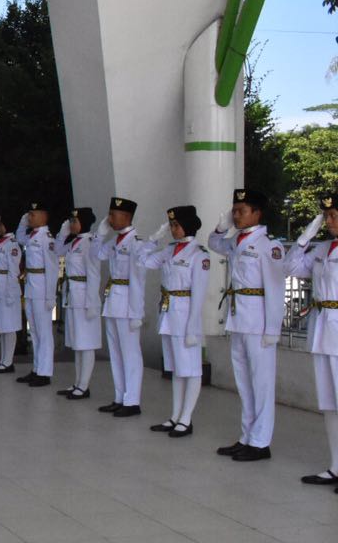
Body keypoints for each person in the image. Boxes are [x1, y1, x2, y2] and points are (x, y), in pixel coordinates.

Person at [209, 188, 287, 462]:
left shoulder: (269, 246)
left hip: (259, 322)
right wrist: (221, 227)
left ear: (257, 213)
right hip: (239, 318)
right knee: (244, 382)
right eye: (235, 210)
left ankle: (261, 442)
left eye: (242, 211)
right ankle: (247, 436)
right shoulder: (235, 241)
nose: (237, 215)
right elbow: (214, 244)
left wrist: (272, 329)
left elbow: (276, 291)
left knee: (262, 383)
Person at [140, 206, 210, 437]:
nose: (172, 229)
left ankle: (187, 418)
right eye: (170, 225)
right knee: (176, 369)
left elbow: (199, 294)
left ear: (187, 225)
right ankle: (175, 415)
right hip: (168, 314)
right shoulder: (169, 250)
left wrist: (193, 327)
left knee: (191, 369)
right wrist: (153, 239)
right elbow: (144, 261)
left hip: (186, 316)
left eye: (176, 225)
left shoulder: (198, 254)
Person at [287, 195, 338, 487]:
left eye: (333, 215)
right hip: (322, 329)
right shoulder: (322, 248)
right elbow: (292, 267)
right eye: (326, 216)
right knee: (330, 403)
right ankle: (335, 465)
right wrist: (307, 234)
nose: (329, 221)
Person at [94, 196, 149, 417]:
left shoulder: (137, 244)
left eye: (113, 215)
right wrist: (101, 232)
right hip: (113, 302)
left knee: (130, 353)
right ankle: (120, 396)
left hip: (127, 303)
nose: (110, 218)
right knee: (115, 352)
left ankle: (132, 400)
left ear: (126, 217)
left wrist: (137, 311)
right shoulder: (115, 241)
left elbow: (138, 280)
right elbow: (96, 253)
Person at [54, 207, 103, 400]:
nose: (72, 224)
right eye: (71, 221)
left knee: (86, 343)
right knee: (77, 342)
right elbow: (57, 251)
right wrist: (63, 232)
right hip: (73, 295)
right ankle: (77, 383)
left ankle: (84, 386)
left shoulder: (89, 243)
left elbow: (93, 274)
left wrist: (92, 302)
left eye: (74, 222)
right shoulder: (74, 243)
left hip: (84, 297)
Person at [16, 203, 57, 387]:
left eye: (33, 214)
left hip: (41, 288)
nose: (30, 217)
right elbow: (19, 237)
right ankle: (37, 368)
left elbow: (52, 268)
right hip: (31, 287)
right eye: (29, 214)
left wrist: (50, 296)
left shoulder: (46, 238)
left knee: (44, 332)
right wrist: (22, 222)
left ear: (44, 216)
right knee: (34, 331)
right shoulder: (32, 236)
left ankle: (45, 372)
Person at [0, 218, 22, 375]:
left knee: (10, 327)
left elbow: (14, 270)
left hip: (8, 288)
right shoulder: (0, 242)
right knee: (2, 326)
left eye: (0, 224)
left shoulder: (12, 244)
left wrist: (10, 292)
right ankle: (3, 360)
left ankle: (8, 361)